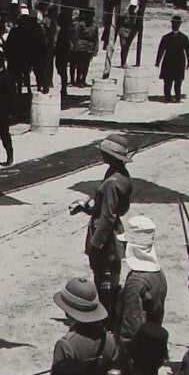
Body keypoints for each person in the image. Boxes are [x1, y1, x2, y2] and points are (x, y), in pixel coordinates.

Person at [73, 134, 133, 314]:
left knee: (103, 277)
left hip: (105, 236)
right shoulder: (121, 176)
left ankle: (106, 315)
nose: (101, 154)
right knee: (111, 275)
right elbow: (113, 209)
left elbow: (107, 217)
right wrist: (87, 208)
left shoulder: (111, 183)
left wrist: (96, 244)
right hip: (114, 232)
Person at [113, 217, 167, 360]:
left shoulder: (136, 282)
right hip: (151, 346)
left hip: (137, 353)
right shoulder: (158, 274)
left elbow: (130, 326)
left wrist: (124, 359)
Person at [154, 15, 189, 102]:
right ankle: (167, 98)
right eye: (173, 23)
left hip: (179, 62)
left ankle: (178, 98)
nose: (175, 25)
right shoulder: (166, 37)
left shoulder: (184, 38)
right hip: (168, 61)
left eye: (177, 24)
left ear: (179, 25)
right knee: (167, 81)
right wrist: (158, 62)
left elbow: (188, 50)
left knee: (178, 81)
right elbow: (161, 50)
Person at [114, 1, 142, 69]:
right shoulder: (125, 14)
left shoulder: (136, 14)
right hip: (123, 31)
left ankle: (124, 62)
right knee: (124, 47)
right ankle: (123, 63)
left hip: (131, 32)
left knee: (127, 47)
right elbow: (119, 23)